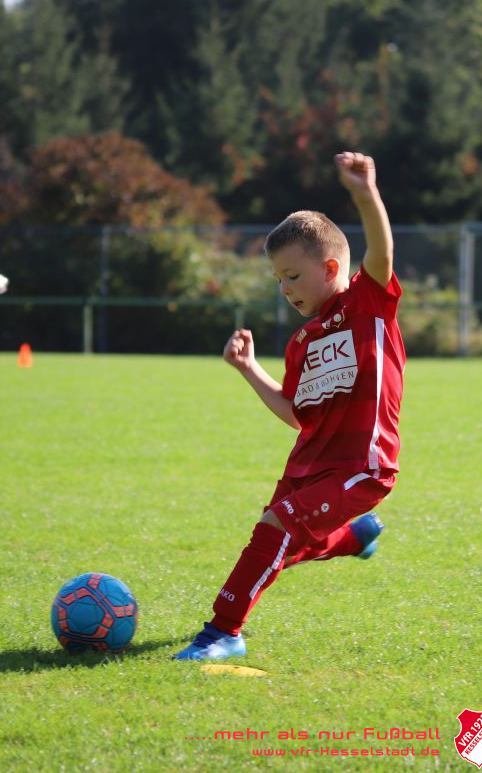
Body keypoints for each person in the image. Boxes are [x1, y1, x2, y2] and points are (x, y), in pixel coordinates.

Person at [174, 151, 406, 660]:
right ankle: (352, 539)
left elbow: (381, 251)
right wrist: (248, 368)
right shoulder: (302, 342)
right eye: (278, 279)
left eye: (293, 276)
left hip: (360, 468)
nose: (284, 289)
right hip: (307, 465)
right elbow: (296, 413)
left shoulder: (366, 303)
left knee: (275, 529)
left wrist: (365, 193)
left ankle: (223, 632)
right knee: (285, 541)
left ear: (330, 268)